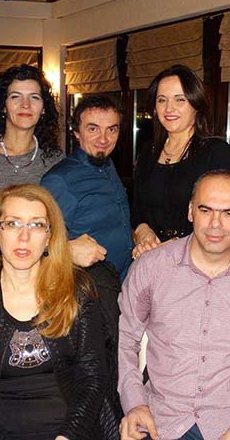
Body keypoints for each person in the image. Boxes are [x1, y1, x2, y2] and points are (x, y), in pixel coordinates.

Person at [119, 170, 230, 440]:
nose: (216, 224)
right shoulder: (152, 268)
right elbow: (124, 341)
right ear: (190, 211)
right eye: (206, 210)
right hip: (164, 419)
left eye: (229, 213)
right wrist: (135, 404)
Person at [0, 184, 119, 440]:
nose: (24, 237)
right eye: (13, 224)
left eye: (36, 225)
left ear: (49, 236)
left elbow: (92, 380)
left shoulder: (77, 292)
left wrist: (68, 436)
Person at [41, 95, 132, 417]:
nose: (103, 138)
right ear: (76, 131)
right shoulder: (60, 179)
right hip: (90, 299)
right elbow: (37, 244)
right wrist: (66, 250)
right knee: (99, 383)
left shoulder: (108, 166)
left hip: (121, 288)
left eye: (112, 129)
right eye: (93, 128)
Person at [0, 64, 63, 277]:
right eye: (15, 96)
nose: (25, 104)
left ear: (43, 108)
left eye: (34, 97)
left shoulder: (55, 161)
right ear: (3, 106)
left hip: (35, 272)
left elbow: (59, 222)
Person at [132, 65, 230, 258]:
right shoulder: (148, 152)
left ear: (196, 104)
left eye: (180, 99)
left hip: (196, 258)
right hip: (150, 257)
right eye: (162, 100)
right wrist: (143, 232)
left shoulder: (215, 152)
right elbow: (137, 207)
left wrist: (174, 246)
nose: (169, 108)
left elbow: (226, 216)